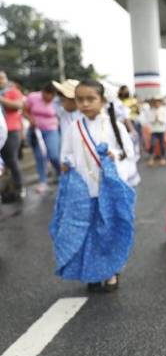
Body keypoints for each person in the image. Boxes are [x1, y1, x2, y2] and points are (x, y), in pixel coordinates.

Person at [50, 79, 136, 292]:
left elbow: (128, 153)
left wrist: (112, 154)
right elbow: (66, 153)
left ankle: (110, 271)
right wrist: (66, 163)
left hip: (108, 188)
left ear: (103, 100)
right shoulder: (73, 127)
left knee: (107, 229)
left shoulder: (114, 125)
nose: (85, 104)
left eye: (91, 99)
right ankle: (92, 272)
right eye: (80, 99)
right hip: (83, 188)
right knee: (87, 230)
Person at [23, 83, 61, 194]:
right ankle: (42, 181)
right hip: (35, 132)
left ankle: (60, 173)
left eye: (51, 97)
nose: (48, 99)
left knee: (54, 155)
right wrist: (30, 119)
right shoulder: (33, 97)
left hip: (51, 130)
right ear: (42, 92)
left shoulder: (57, 102)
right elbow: (25, 110)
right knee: (40, 156)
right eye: (46, 96)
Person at [0, 71, 26, 203]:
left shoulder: (13, 91)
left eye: (2, 78)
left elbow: (18, 105)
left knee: (11, 161)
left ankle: (19, 188)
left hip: (11, 131)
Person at [52, 79, 80, 152]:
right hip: (67, 151)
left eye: (63, 99)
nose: (61, 103)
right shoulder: (63, 112)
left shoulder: (84, 114)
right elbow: (55, 102)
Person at [141, 97, 166, 166]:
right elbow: (148, 120)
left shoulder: (164, 110)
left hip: (162, 130)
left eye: (158, 102)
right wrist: (154, 119)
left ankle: (163, 158)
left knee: (162, 145)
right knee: (153, 144)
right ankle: (151, 158)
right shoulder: (150, 110)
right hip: (154, 130)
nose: (157, 104)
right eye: (155, 102)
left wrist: (159, 119)